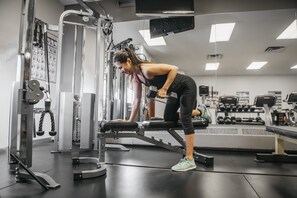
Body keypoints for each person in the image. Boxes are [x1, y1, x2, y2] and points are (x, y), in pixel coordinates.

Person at [114, 48, 211, 172]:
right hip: (174, 93)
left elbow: (174, 68)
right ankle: (199, 111)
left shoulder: (146, 69)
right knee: (169, 118)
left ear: (128, 61)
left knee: (185, 118)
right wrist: (129, 121)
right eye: (118, 69)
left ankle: (189, 159)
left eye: (121, 67)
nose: (121, 71)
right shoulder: (135, 78)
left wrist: (164, 89)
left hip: (186, 86)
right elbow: (136, 100)